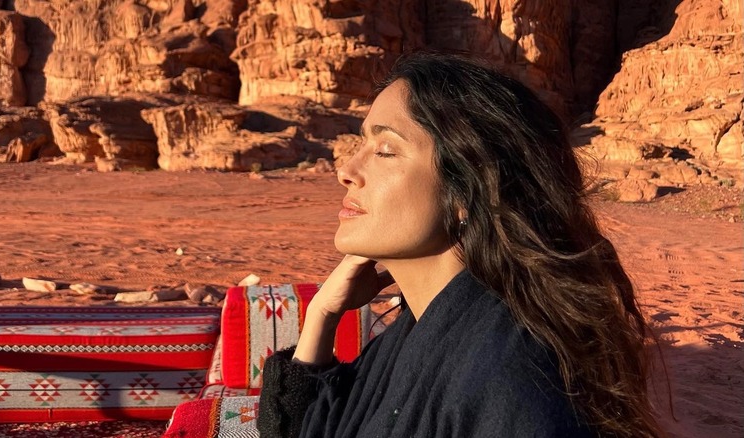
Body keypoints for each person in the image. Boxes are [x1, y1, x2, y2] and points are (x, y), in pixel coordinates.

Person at [256, 52, 663, 437]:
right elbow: (303, 428)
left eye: (385, 150)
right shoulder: (419, 326)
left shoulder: (510, 375)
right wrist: (322, 315)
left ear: (466, 191)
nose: (346, 171)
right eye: (360, 145)